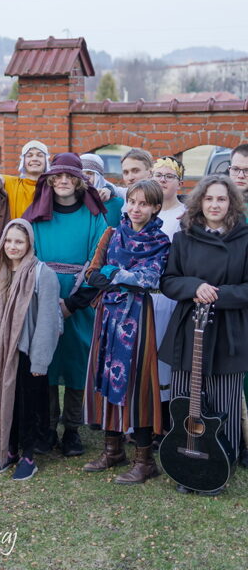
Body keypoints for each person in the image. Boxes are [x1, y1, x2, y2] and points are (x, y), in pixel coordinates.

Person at [160, 174, 248, 494]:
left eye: (221, 199)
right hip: (190, 328)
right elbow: (169, 281)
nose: (214, 205)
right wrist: (194, 287)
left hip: (228, 329)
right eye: (209, 198)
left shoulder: (244, 238)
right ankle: (186, 465)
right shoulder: (184, 237)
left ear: (231, 203)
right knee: (186, 399)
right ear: (200, 201)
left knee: (224, 403)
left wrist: (218, 295)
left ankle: (220, 468)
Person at [82, 180, 169, 484]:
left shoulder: (160, 241)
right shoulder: (111, 234)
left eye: (143, 203)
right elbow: (92, 274)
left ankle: (145, 461)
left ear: (155, 207)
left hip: (138, 317)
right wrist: (119, 278)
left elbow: (150, 279)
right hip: (108, 315)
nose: (135, 208)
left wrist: (115, 274)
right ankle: (112, 450)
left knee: (137, 381)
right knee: (106, 375)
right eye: (132, 201)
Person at [23, 152, 107, 457]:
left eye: (69, 176)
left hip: (79, 301)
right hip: (42, 297)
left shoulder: (94, 217)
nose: (62, 181)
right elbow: (27, 255)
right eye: (57, 176)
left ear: (79, 181)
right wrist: (46, 301)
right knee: (44, 361)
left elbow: (99, 259)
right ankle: (47, 427)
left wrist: (72, 303)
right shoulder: (37, 215)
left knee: (76, 366)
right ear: (49, 180)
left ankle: (72, 430)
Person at [0, 220, 61, 480]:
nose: (12, 246)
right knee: (7, 402)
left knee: (29, 406)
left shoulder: (42, 274)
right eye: (8, 241)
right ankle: (9, 450)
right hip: (4, 351)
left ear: (29, 243)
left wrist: (40, 361)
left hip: (28, 353)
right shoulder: (1, 272)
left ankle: (29, 456)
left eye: (19, 241)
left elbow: (48, 321)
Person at [151, 157, 186, 434]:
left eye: (169, 176)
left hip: (170, 297)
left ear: (179, 183)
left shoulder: (186, 216)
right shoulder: (142, 209)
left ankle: (166, 422)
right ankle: (142, 421)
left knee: (166, 359)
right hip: (144, 297)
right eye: (158, 175)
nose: (162, 180)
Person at [227, 143, 248, 467]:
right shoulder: (220, 204)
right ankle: (237, 438)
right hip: (229, 301)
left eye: (247, 170)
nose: (241, 175)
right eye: (236, 169)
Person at [2, 141, 50, 218]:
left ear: (46, 161)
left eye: (40, 155)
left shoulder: (52, 186)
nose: (34, 159)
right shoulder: (11, 183)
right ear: (23, 161)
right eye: (29, 155)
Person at [80, 153, 123, 227]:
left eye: (90, 173)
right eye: (81, 174)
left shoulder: (118, 204)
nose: (84, 178)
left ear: (99, 177)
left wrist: (109, 189)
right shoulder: (73, 202)